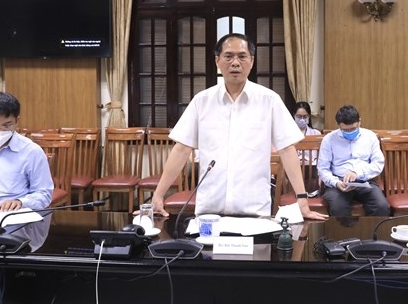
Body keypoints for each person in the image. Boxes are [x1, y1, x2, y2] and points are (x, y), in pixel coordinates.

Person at [151, 33, 327, 220]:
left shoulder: (269, 100)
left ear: (251, 61)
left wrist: (302, 200)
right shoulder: (202, 101)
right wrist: (158, 195)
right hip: (210, 212)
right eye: (228, 56)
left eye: (242, 56)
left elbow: (287, 149)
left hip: (254, 211)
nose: (235, 62)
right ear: (217, 61)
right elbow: (181, 149)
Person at [316, 105, 390, 217]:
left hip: (365, 181)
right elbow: (322, 169)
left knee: (381, 206)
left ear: (359, 122)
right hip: (338, 183)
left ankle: (371, 234)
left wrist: (357, 173)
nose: (349, 132)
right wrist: (336, 182)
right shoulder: (329, 139)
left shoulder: (370, 137)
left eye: (353, 129)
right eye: (345, 130)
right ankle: (342, 235)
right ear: (339, 125)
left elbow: (378, 164)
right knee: (338, 207)